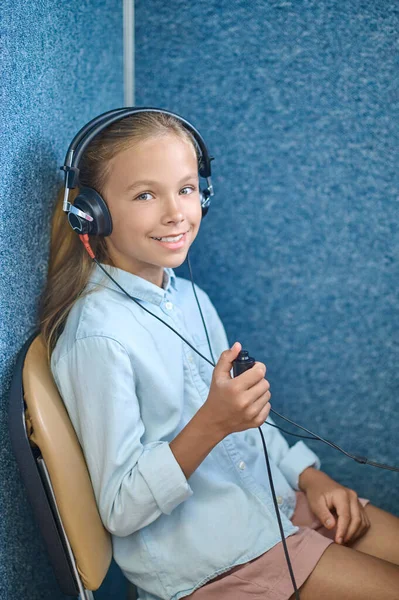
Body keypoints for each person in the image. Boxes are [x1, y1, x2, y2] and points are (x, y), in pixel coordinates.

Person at [39, 110, 399, 600]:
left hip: (272, 502)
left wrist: (311, 477)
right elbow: (120, 508)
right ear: (92, 213)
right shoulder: (99, 337)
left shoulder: (191, 300)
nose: (176, 212)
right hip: (217, 561)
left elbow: (248, 425)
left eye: (186, 189)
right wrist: (213, 422)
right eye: (146, 194)